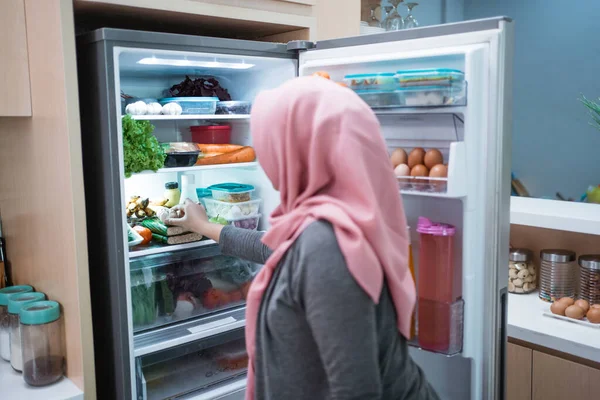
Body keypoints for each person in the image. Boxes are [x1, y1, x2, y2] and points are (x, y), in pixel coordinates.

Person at [165, 77, 439, 400]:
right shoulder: (333, 220)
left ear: (303, 149)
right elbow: (274, 248)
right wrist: (206, 225)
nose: (267, 154)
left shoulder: (328, 245)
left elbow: (357, 392)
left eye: (273, 140)